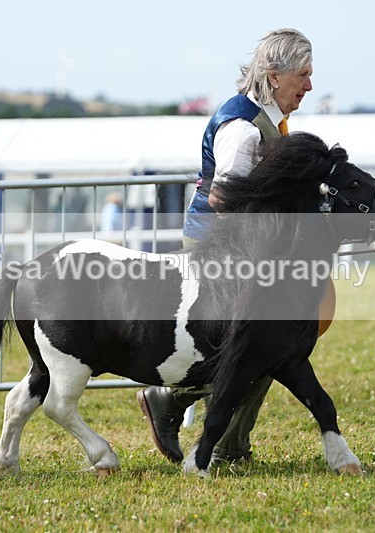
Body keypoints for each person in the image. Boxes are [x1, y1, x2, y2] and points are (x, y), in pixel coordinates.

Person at [136, 28, 315, 465]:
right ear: (274, 76)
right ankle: (180, 409)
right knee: (255, 345)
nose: (309, 86)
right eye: (303, 75)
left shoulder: (269, 118)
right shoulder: (242, 127)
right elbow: (223, 199)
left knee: (267, 343)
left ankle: (228, 444)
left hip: (243, 248)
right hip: (218, 246)